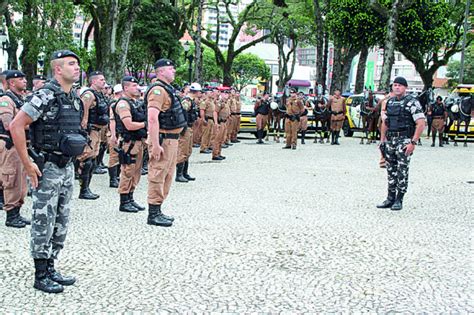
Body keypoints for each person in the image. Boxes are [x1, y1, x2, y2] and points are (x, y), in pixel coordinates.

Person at [10, 50, 88, 293]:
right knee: (43, 221)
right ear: (58, 69)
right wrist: (27, 163)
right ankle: (40, 274)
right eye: (71, 64)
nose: (76, 68)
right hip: (47, 168)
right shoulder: (44, 95)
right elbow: (16, 126)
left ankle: (52, 266)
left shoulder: (74, 97)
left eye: (77, 64)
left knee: (61, 221)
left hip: (66, 168)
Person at [145, 59, 187, 227]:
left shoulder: (167, 89)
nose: (174, 71)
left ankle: (158, 209)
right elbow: (152, 118)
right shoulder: (158, 91)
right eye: (171, 68)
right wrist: (155, 144)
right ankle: (153, 213)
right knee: (157, 174)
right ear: (161, 72)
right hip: (163, 139)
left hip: (172, 140)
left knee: (168, 176)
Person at [377, 76, 425, 211]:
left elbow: (421, 123)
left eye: (400, 85)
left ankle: (399, 199)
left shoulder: (412, 102)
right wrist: (382, 141)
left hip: (404, 140)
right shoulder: (390, 102)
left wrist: (413, 142)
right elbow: (385, 123)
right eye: (395, 85)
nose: (397, 87)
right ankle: (390, 197)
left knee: (402, 170)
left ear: (405, 88)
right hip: (390, 140)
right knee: (390, 169)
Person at [0, 70, 31, 228]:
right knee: (11, 178)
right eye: (21, 79)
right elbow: (8, 124)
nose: (25, 81)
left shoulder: (20, 99)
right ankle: (10, 215)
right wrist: (28, 123)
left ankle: (17, 212)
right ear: (11, 82)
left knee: (20, 178)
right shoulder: (6, 99)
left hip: (20, 144)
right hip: (10, 144)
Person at [114, 76, 147, 213]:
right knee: (127, 171)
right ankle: (124, 201)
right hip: (129, 143)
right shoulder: (123, 104)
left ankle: (130, 198)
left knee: (136, 172)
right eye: (134, 85)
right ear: (125, 88)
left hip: (138, 142)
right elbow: (129, 124)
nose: (137, 88)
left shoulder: (135, 102)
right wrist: (146, 124)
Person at [76, 71, 109, 199]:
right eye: (101, 80)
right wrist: (84, 125)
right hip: (90, 131)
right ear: (93, 81)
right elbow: (83, 110)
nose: (104, 82)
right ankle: (83, 190)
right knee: (86, 159)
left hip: (98, 131)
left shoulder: (99, 95)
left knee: (92, 159)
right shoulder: (89, 95)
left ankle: (87, 188)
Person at [175, 82, 200, 182]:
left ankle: (185, 173)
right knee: (183, 151)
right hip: (185, 128)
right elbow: (182, 114)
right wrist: (183, 127)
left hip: (189, 127)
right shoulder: (187, 101)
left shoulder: (191, 100)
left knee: (188, 151)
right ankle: (179, 174)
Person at [107, 84, 123, 187]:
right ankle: (113, 179)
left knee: (120, 156)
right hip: (114, 133)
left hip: (119, 132)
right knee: (114, 156)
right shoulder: (114, 104)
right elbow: (112, 121)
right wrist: (113, 135)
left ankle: (117, 177)